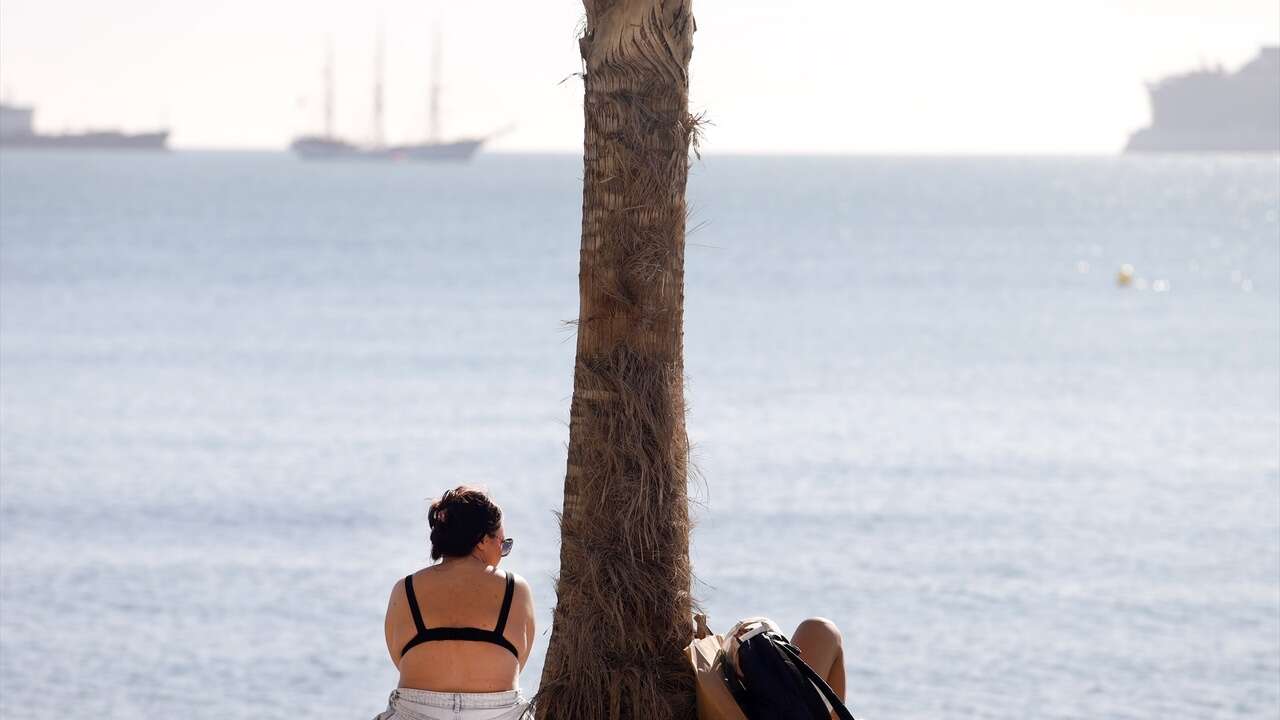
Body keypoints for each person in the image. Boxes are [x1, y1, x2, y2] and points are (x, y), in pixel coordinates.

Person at [374, 486, 535, 720]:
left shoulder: (405, 590)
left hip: (415, 711)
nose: (503, 553)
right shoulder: (515, 589)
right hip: (500, 713)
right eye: (503, 544)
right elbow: (518, 660)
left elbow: (400, 658)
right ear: (481, 540)